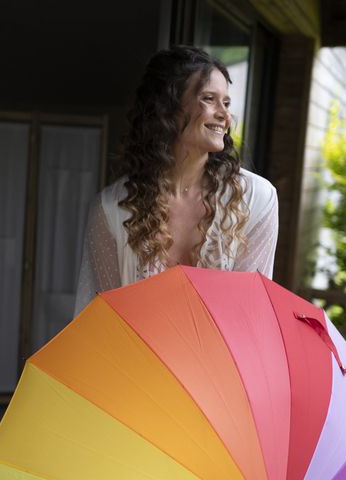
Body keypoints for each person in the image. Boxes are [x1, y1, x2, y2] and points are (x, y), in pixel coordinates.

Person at [74, 45, 278, 314]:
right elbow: (105, 322)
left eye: (226, 103)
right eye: (208, 99)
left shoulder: (256, 200)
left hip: (219, 357)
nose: (225, 116)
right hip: (134, 356)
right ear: (167, 107)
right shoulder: (110, 210)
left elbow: (249, 313)